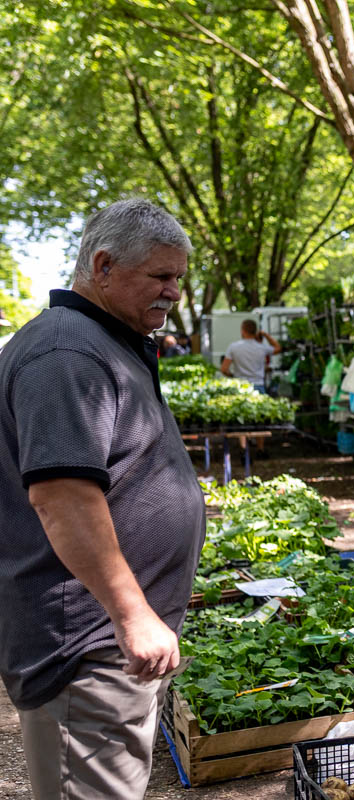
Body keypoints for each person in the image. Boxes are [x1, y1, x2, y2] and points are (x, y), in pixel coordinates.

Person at [0, 198, 206, 799]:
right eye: (161, 276)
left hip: (105, 647)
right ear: (104, 266)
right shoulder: (66, 353)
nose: (174, 292)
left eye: (178, 278)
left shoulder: (101, 340)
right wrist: (133, 614)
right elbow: (62, 497)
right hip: (86, 649)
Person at [221, 319, 280, 392]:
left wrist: (233, 376)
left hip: (240, 386)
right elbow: (278, 348)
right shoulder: (262, 347)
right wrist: (265, 334)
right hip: (258, 385)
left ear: (242, 330)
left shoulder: (233, 347)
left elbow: (224, 369)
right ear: (255, 331)